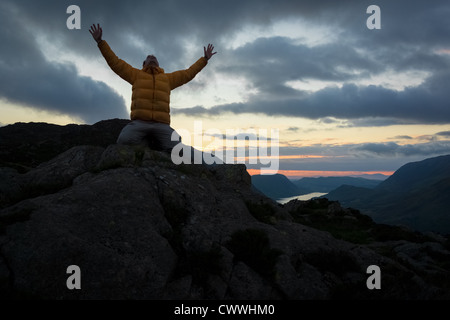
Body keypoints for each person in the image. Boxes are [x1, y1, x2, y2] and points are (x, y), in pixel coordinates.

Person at [89, 23, 218, 163]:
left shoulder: (167, 79)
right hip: (139, 123)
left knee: (177, 147)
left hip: (161, 125)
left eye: (154, 57)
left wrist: (204, 59)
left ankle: (155, 145)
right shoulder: (135, 75)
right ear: (143, 64)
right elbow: (115, 62)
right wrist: (100, 42)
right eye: (149, 57)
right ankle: (148, 145)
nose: (152, 57)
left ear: (158, 63)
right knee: (123, 140)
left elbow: (188, 73)